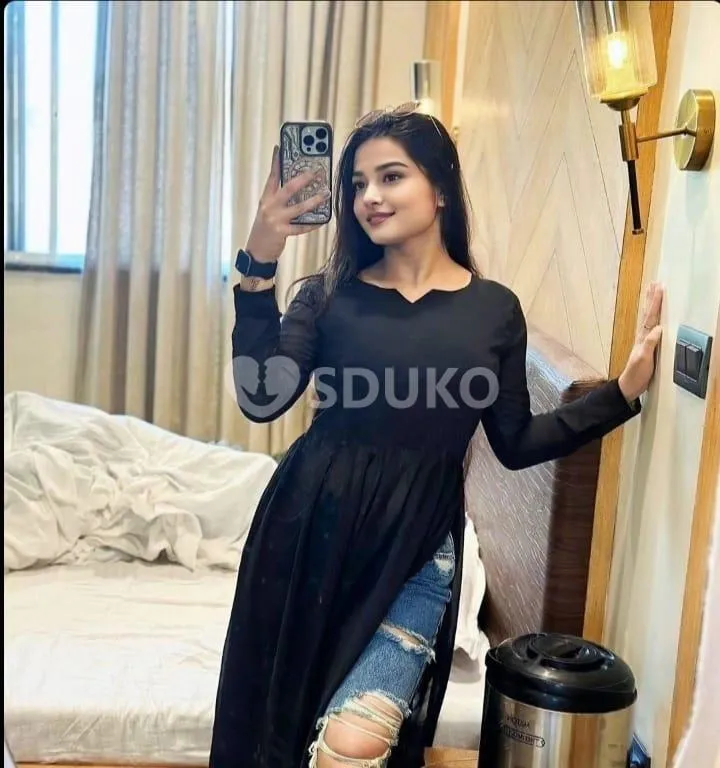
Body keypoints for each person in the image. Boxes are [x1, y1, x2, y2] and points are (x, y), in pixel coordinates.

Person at [210, 104, 663, 768]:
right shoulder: (327, 296)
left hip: (419, 550)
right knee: (280, 729)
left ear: (441, 188)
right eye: (357, 184)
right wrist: (259, 265)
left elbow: (516, 441)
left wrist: (620, 393)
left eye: (390, 176)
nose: (369, 196)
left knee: (352, 745)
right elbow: (261, 397)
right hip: (309, 537)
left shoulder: (493, 310)